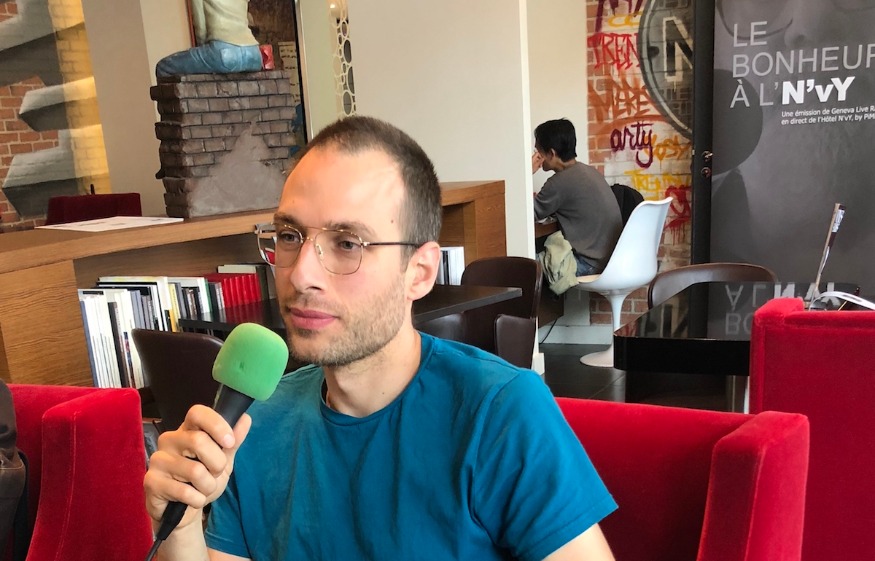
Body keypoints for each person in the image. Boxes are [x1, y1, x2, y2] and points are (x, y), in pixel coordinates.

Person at [143, 115, 618, 560]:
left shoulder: (499, 412)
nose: (301, 274)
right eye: (289, 235)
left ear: (420, 272)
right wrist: (181, 528)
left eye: (348, 243)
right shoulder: (255, 423)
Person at [531, 119, 622, 277]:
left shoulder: (558, 182)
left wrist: (527, 171)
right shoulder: (589, 171)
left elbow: (528, 214)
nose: (535, 156)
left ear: (551, 154)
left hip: (588, 264)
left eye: (538, 151)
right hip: (609, 260)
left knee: (524, 267)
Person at [156, 0, 262, 77]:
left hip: (224, 53)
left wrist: (203, 47)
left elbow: (200, 26)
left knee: (163, 67)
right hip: (254, 54)